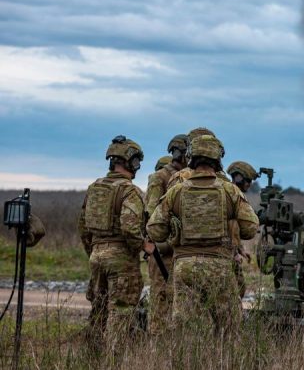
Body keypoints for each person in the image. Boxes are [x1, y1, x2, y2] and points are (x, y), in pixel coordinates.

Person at [147, 135, 258, 334]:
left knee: (188, 332)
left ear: (191, 157)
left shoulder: (176, 191)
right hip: (220, 267)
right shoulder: (230, 191)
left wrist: (176, 228)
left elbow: (155, 229)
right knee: (229, 331)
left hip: (184, 267)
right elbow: (250, 228)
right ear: (218, 159)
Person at [77, 135, 145, 350]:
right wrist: (143, 246)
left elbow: (83, 227)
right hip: (121, 259)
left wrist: (94, 250)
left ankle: (92, 355)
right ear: (129, 162)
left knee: (98, 308)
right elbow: (130, 227)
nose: (138, 166)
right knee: (121, 311)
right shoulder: (129, 190)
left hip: (96, 256)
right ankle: (113, 360)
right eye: (137, 162)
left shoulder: (94, 188)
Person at [143, 134, 188, 335]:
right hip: (163, 251)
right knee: (161, 299)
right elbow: (152, 216)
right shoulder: (160, 177)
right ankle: (158, 346)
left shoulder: (187, 177)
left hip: (181, 251)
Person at [226, 161, 259, 300]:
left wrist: (240, 249)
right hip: (227, 253)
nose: (249, 184)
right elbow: (228, 226)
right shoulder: (231, 194)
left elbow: (235, 228)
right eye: (248, 180)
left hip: (232, 252)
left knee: (239, 289)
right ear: (239, 178)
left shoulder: (234, 193)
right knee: (235, 290)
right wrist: (234, 253)